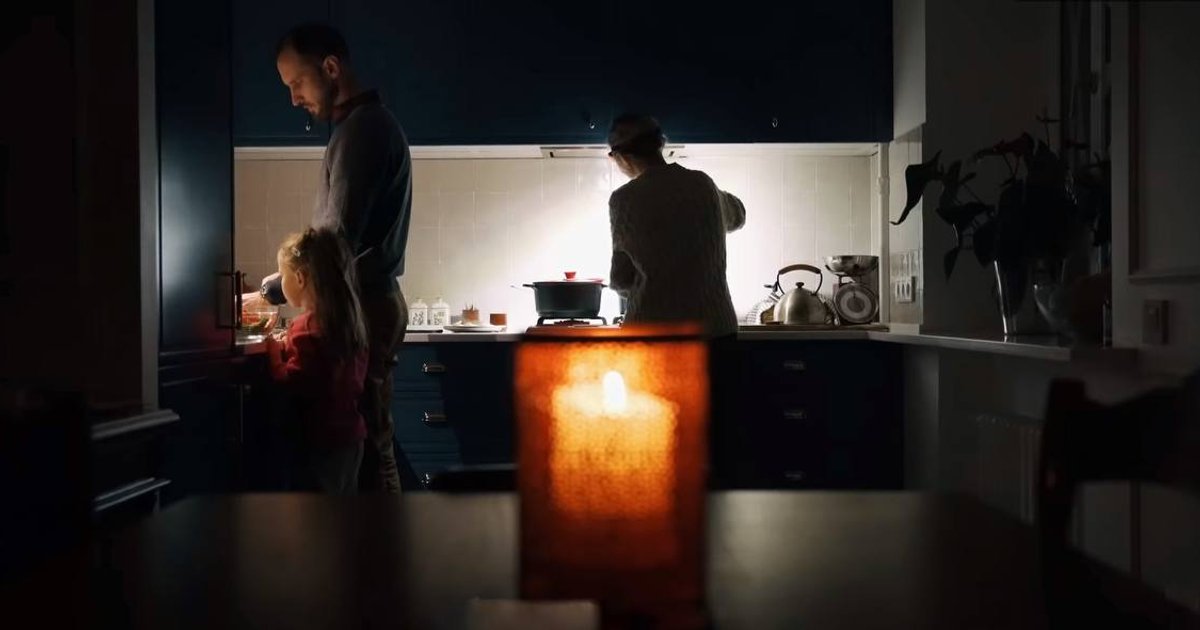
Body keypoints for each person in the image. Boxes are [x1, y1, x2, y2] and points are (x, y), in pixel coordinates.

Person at [245, 23, 411, 492]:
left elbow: (333, 242)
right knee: (370, 442)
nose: (293, 98)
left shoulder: (362, 132)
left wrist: (271, 291)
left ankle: (382, 538)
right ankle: (374, 535)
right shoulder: (361, 128)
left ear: (331, 68)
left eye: (297, 82)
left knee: (369, 448)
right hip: (368, 304)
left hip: (366, 304)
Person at [606, 113, 746, 337]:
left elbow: (621, 279)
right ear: (660, 143)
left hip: (656, 333)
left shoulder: (624, 199)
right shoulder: (702, 184)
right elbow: (739, 215)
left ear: (621, 157)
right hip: (714, 330)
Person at [265, 228, 368, 494]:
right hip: (351, 437)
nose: (281, 282)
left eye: (283, 275)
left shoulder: (306, 326)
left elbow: (290, 381)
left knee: (315, 511)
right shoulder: (349, 322)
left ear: (299, 278)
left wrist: (272, 348)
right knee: (344, 507)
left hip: (319, 440)